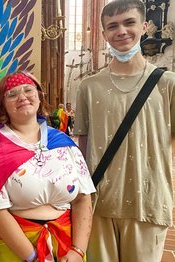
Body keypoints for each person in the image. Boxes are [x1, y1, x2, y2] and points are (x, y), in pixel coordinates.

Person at [74, 1, 175, 261]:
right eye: (112, 26)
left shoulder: (168, 84)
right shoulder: (88, 86)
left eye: (129, 23)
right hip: (99, 203)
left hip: (147, 201)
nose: (121, 31)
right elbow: (83, 144)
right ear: (104, 33)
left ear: (143, 26)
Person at [0, 71, 96, 261]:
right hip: (16, 248)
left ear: (39, 97)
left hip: (66, 245)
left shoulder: (63, 142)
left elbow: (83, 198)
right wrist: (33, 257)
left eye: (28, 90)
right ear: (2, 105)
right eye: (12, 94)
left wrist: (77, 250)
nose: (22, 97)